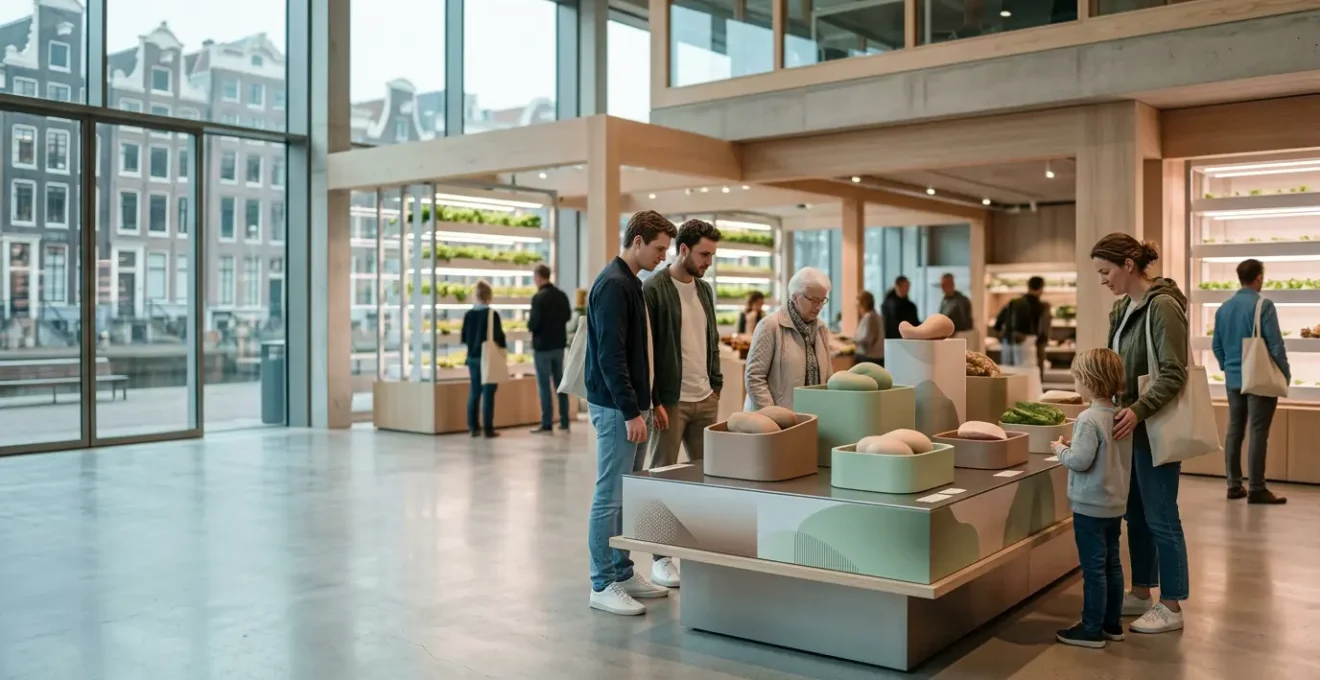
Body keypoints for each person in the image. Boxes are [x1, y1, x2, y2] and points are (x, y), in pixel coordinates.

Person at [1091, 232, 1189, 635]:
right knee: (1136, 515)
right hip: (1128, 427)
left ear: (1128, 265)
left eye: (1106, 270)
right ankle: (1142, 591)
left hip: (1153, 426)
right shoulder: (1121, 309)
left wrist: (1138, 409)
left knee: (1162, 516)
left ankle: (1172, 604)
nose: (1103, 279)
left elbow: (1174, 373)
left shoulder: (1162, 306)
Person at [584, 210, 675, 616]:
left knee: (625, 496)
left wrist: (650, 400)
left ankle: (621, 572)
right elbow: (610, 356)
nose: (663, 256)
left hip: (633, 406)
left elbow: (643, 352)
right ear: (637, 241)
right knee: (609, 496)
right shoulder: (613, 286)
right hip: (616, 409)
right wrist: (629, 410)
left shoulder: (631, 284)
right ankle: (601, 582)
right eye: (658, 248)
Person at [640, 219, 724, 589]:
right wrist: (655, 398)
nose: (709, 262)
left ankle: (702, 552)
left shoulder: (704, 290)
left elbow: (712, 339)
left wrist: (716, 385)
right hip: (669, 403)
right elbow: (648, 348)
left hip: (705, 399)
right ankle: (661, 558)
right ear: (684, 250)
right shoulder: (654, 288)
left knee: (709, 479)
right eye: (704, 254)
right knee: (664, 479)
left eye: (712, 255)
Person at [1051, 348, 1132, 649]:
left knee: (1093, 569)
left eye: (1077, 378)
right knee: (1112, 564)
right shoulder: (1121, 416)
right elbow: (1105, 452)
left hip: (1090, 507)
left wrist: (1060, 449)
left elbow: (1080, 461)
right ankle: (1113, 624)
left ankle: (1091, 629)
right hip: (1114, 503)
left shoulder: (1087, 419)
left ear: (1087, 380)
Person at [1212, 258, 1290, 505]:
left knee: (1235, 430)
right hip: (1258, 377)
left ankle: (1234, 486)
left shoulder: (1224, 308)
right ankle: (1257, 488)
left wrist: (1227, 367)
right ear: (1258, 277)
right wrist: (1284, 374)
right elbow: (1275, 345)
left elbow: (1216, 346)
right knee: (1258, 432)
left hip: (1233, 379)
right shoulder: (1263, 306)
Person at [744, 267, 833, 410]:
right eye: (814, 300)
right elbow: (754, 378)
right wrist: (775, 416)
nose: (819, 307)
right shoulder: (769, 326)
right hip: (771, 422)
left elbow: (828, 376)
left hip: (810, 416)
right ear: (795, 297)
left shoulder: (821, 328)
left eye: (823, 300)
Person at [528, 264, 573, 434]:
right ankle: (564, 420)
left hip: (542, 347)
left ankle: (547, 422)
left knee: (544, 385)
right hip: (558, 346)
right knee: (560, 383)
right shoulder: (561, 296)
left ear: (539, 277)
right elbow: (568, 316)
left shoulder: (538, 298)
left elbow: (533, 323)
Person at [459, 280, 506, 439]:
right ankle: (488, 429)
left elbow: (464, 337)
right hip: (488, 357)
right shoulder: (492, 314)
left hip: (472, 357)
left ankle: (473, 427)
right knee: (488, 393)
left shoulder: (469, 314)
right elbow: (499, 337)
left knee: (474, 392)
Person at [993, 276, 1051, 378]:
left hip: (1009, 343)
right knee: (1029, 376)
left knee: (1008, 376)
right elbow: (1043, 330)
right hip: (1030, 346)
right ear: (1041, 288)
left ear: (1028, 286)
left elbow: (998, 323)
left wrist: (1003, 337)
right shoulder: (1042, 306)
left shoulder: (1013, 303)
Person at [939, 273, 976, 344]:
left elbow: (965, 322)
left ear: (952, 284)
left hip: (959, 337)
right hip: (947, 338)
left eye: (945, 284)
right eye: (942, 285)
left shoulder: (961, 300)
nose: (942, 287)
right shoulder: (945, 300)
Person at [853, 290, 884, 365]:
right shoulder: (876, 316)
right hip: (876, 357)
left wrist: (853, 340)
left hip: (870, 357)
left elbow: (867, 339)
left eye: (858, 305)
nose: (857, 308)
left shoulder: (869, 317)